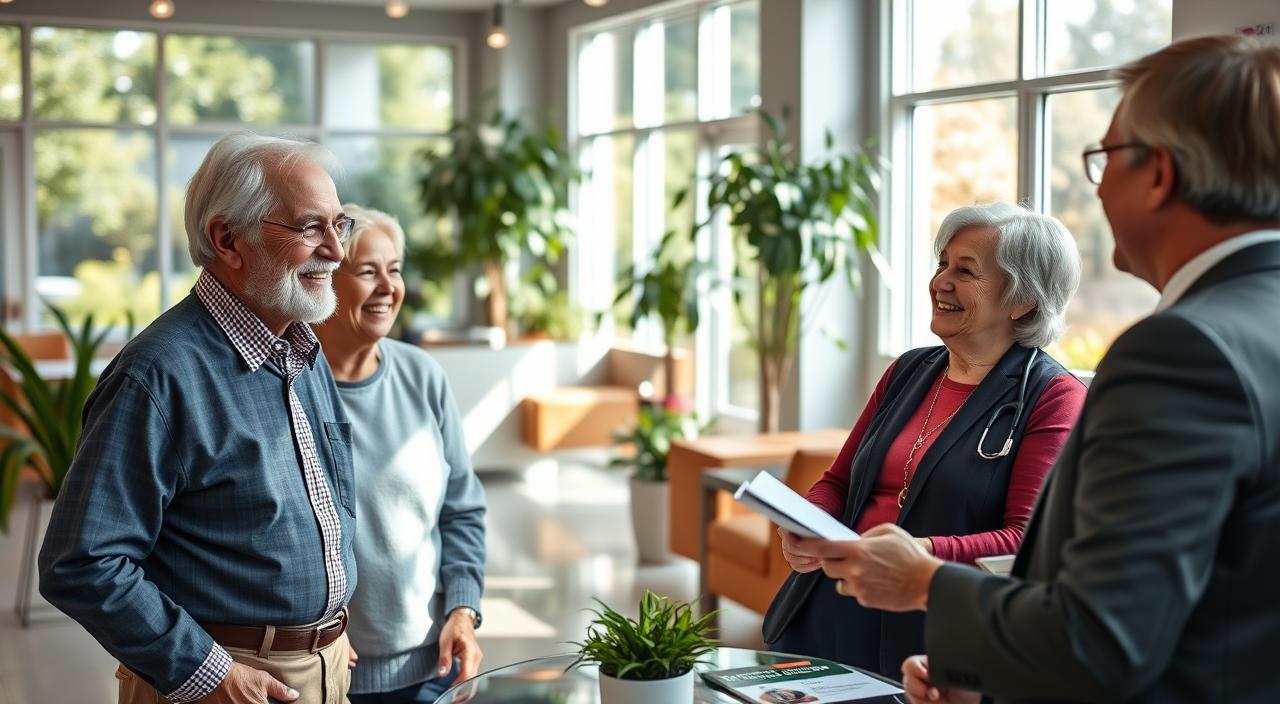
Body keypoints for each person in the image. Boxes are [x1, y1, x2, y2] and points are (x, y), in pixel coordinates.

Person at [800, 35, 1280, 704]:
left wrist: (924, 582)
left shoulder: (1182, 351)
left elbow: (1100, 639)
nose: (1099, 183)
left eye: (1104, 157)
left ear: (1160, 174)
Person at [39, 132, 358, 704]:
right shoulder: (158, 375)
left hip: (323, 667)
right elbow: (81, 562)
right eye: (311, 227)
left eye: (341, 224)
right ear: (227, 238)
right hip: (223, 681)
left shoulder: (303, 352)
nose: (336, 250)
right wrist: (211, 673)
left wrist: (328, 623)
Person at [763, 203, 1086, 677]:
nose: (941, 282)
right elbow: (838, 482)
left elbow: (1021, 545)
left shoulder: (1053, 397)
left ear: (1023, 300)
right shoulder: (909, 370)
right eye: (942, 264)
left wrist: (916, 556)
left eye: (966, 270)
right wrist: (807, 523)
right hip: (832, 609)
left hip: (934, 635)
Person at [312, 205, 487, 704]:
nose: (388, 286)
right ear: (326, 281)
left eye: (394, 270)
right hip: (328, 673)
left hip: (433, 664)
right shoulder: (290, 388)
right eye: (368, 271)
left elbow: (462, 509)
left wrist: (463, 610)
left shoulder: (423, 376)